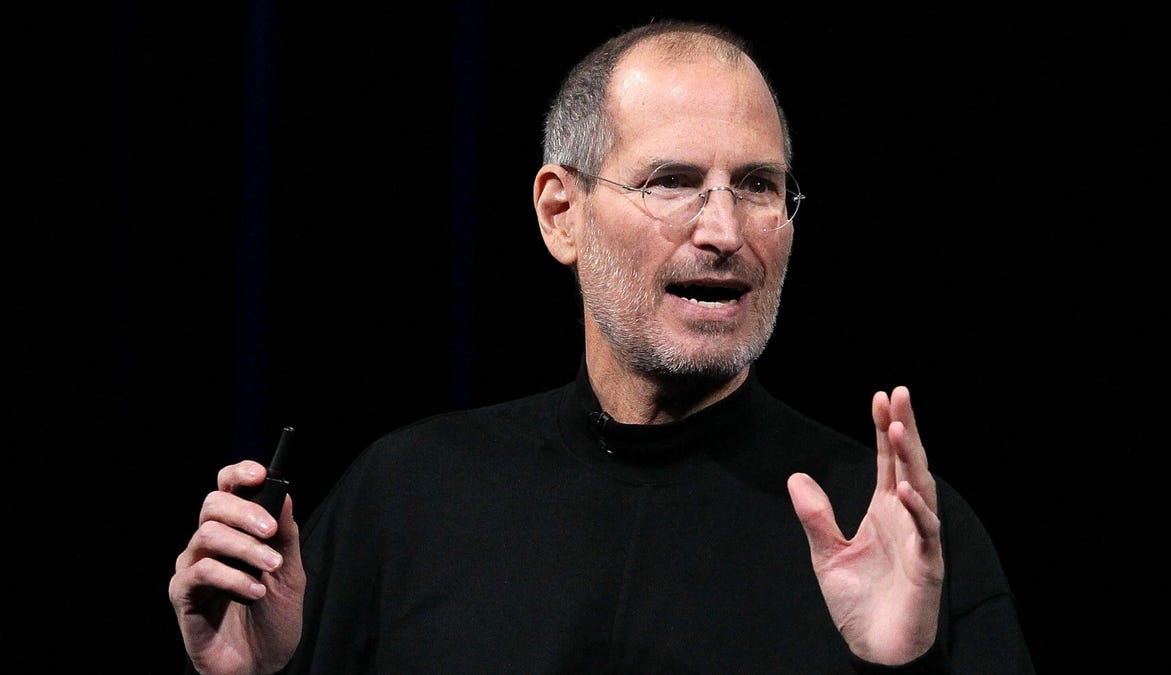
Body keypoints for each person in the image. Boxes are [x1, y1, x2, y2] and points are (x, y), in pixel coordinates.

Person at [169, 19, 1034, 674]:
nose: (725, 231)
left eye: (758, 186)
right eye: (672, 182)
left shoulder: (893, 534)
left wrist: (903, 668)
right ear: (562, 214)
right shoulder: (407, 499)